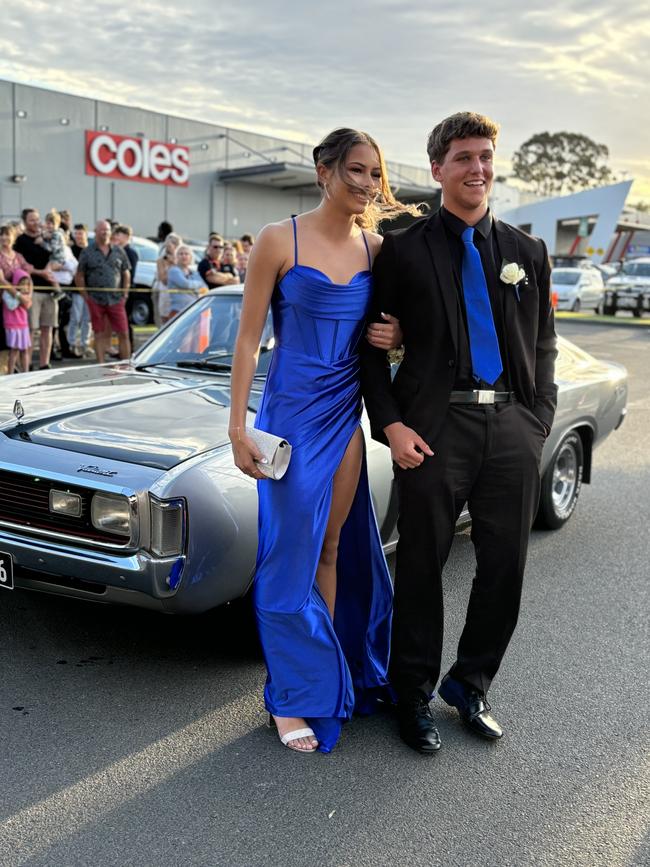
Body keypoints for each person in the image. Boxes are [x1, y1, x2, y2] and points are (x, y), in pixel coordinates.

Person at [360, 111, 558, 754]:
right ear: (438, 169)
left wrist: (537, 420)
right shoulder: (403, 248)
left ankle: (470, 684)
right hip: (433, 425)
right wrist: (390, 424)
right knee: (421, 567)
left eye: (486, 156)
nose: (478, 168)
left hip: (511, 427)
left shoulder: (528, 253)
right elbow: (369, 348)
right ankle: (411, 695)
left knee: (505, 567)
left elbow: (545, 344)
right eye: (465, 157)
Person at [228, 127, 417, 754]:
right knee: (289, 556)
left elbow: (397, 332)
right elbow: (249, 340)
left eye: (374, 173)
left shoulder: (378, 249)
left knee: (334, 548)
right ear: (323, 171)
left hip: (344, 416)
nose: (366, 184)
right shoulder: (279, 239)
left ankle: (327, 679)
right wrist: (237, 427)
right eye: (356, 171)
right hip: (287, 418)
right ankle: (291, 696)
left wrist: (397, 340)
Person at [76, 220, 131, 362]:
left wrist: (125, 293)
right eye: (101, 230)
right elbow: (79, 275)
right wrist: (85, 296)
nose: (105, 232)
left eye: (107, 230)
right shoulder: (87, 252)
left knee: (123, 333)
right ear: (95, 231)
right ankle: (100, 364)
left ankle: (126, 364)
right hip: (95, 299)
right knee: (99, 333)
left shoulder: (119, 250)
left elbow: (126, 273)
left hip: (116, 299)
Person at [13, 208, 58, 369]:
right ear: (25, 222)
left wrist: (52, 271)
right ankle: (28, 362)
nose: (36, 222)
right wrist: (42, 273)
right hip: (32, 291)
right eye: (32, 220)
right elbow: (21, 266)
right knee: (31, 329)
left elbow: (59, 258)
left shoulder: (49, 238)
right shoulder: (20, 241)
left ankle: (44, 363)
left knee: (48, 328)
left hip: (50, 292)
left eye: (37, 219)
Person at [67, 224, 91, 358]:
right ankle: (72, 343)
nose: (78, 236)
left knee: (87, 319)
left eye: (80, 233)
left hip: (90, 291)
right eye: (76, 234)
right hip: (76, 291)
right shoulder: (71, 250)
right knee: (75, 317)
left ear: (85, 234)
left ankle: (85, 344)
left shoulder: (91, 250)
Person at [165, 245, 207, 321]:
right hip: (178, 311)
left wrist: (196, 287)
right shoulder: (173, 271)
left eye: (186, 254)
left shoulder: (194, 273)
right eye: (181, 254)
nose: (184, 256)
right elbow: (185, 284)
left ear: (191, 257)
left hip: (193, 310)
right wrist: (198, 286)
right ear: (176, 257)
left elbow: (205, 288)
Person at [2, 269, 33, 374]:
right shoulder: (7, 293)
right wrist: (19, 296)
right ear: (16, 282)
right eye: (22, 283)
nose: (24, 286)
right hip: (12, 325)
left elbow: (28, 305)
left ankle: (26, 372)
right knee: (14, 350)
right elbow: (11, 306)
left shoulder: (25, 294)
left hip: (23, 325)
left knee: (25, 350)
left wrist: (25, 297)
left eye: (26, 284)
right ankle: (10, 374)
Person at [155, 234, 181, 324]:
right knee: (166, 321)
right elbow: (164, 280)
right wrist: (170, 265)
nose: (171, 246)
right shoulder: (161, 260)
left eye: (174, 243)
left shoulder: (182, 259)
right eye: (169, 244)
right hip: (166, 293)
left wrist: (175, 262)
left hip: (180, 294)